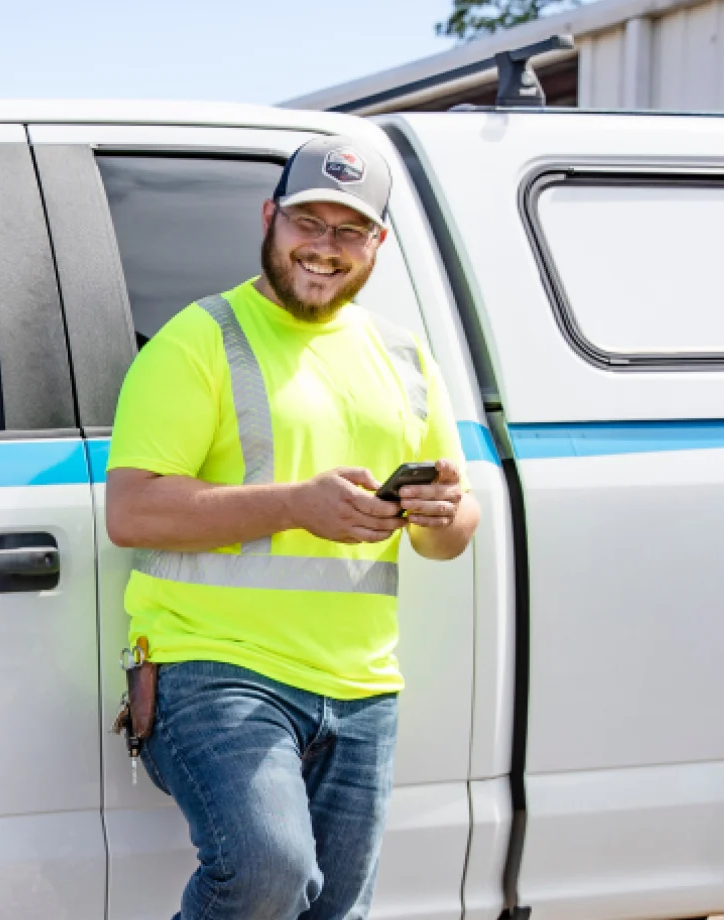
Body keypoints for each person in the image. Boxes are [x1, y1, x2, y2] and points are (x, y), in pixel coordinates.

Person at [105, 136, 482, 920]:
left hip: (362, 685)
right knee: (266, 873)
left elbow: (447, 530)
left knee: (332, 913)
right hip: (213, 667)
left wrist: (449, 514)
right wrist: (293, 504)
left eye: (349, 231)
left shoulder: (405, 357)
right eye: (308, 221)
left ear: (377, 243)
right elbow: (132, 509)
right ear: (270, 218)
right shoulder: (199, 338)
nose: (324, 247)